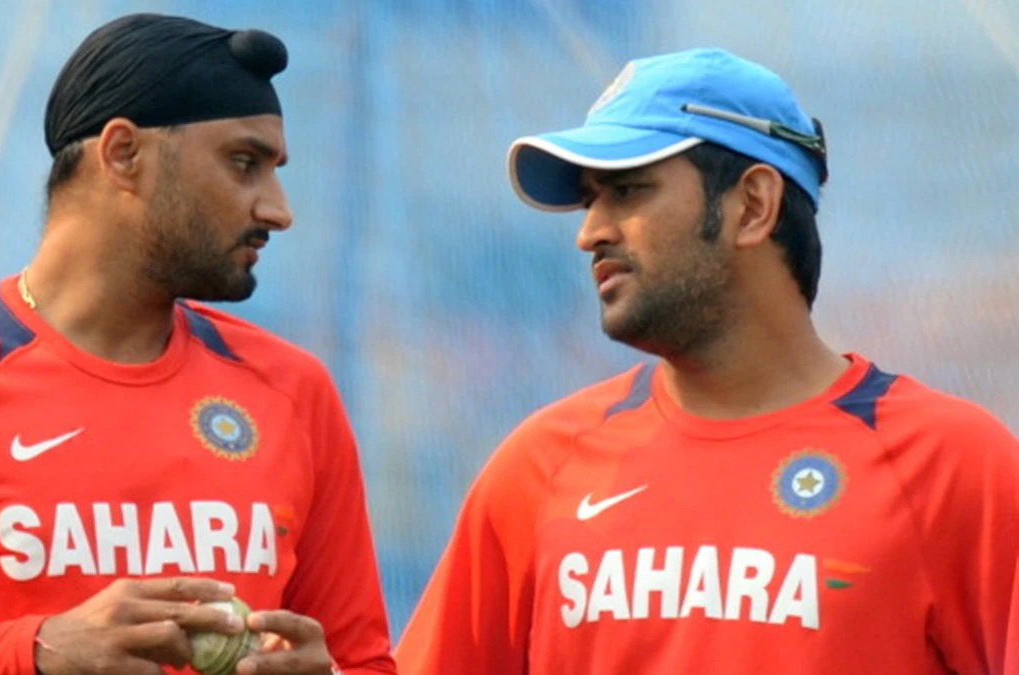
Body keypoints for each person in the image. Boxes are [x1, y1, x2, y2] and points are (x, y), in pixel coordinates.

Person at [395, 48, 1019, 674]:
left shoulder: (956, 468)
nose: (590, 232)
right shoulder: (540, 465)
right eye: (590, 200)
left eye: (629, 189)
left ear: (752, 205)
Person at [0, 13, 396, 675]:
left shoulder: (294, 391)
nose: (278, 208)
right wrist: (34, 655)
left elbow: (362, 660)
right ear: (123, 154)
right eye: (244, 163)